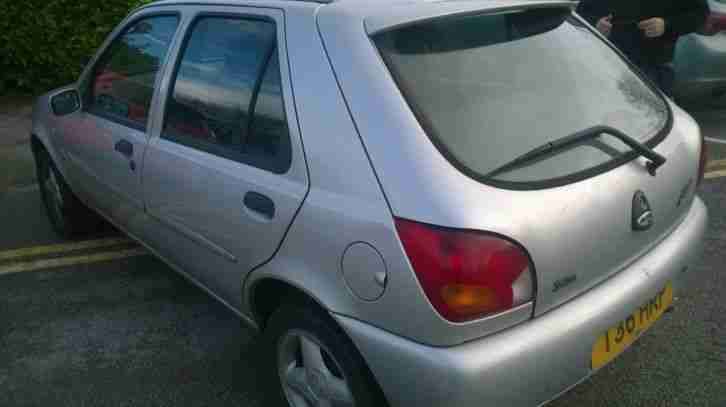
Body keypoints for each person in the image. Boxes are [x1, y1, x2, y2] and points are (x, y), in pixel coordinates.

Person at [577, 0, 708, 96]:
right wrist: (595, 25)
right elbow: (580, 13)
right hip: (605, 64)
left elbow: (700, 14)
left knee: (651, 123)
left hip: (652, 69)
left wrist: (666, 25)